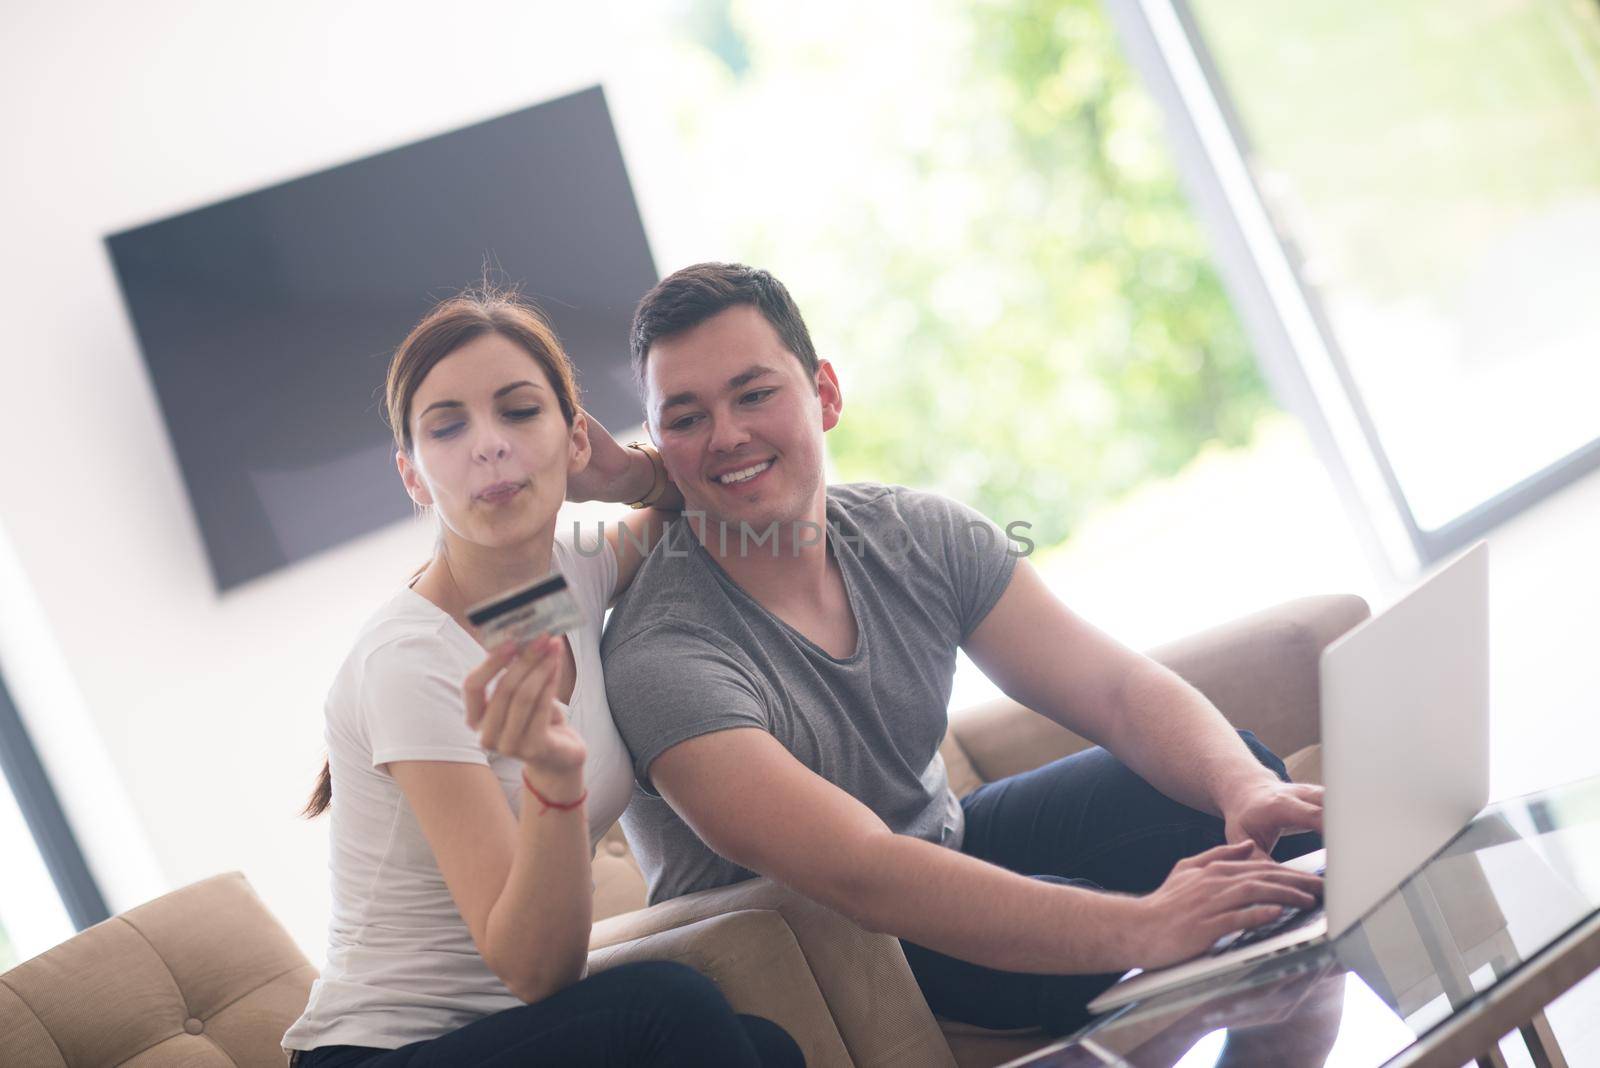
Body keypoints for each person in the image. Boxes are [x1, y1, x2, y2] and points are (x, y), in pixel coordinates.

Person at [600, 262, 1326, 1037]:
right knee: (1076, 954)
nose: (728, 435)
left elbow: (1114, 689)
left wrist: (1241, 786)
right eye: (686, 418)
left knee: (1255, 808)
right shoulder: (662, 654)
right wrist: (1144, 924)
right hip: (837, 942)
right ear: (658, 449)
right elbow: (863, 871)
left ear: (825, 394)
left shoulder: (914, 534)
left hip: (947, 845)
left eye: (754, 393)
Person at [282, 287, 803, 1067]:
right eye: (447, 426)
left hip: (509, 1037)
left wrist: (624, 474)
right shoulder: (410, 661)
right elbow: (533, 971)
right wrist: (554, 782)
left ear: (573, 437)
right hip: (382, 1054)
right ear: (414, 476)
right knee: (670, 1008)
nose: (488, 445)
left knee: (766, 1048)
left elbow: (685, 500)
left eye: (520, 411)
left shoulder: (565, 579)